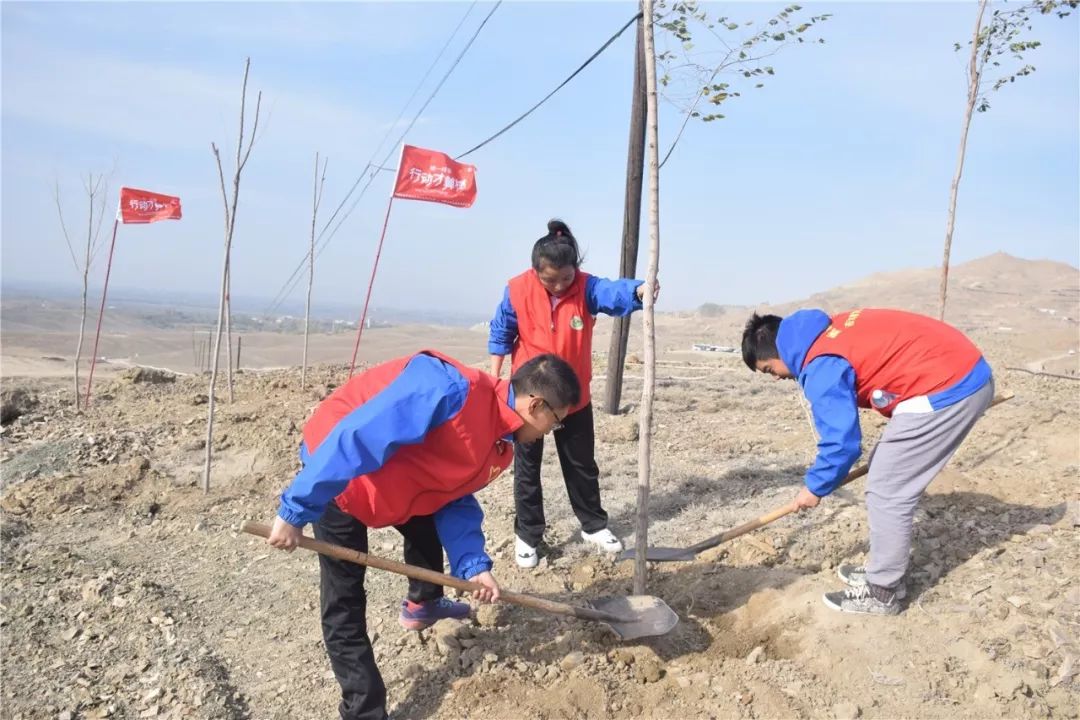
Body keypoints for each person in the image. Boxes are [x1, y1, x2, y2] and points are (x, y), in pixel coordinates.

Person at [265, 349, 580, 720]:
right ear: (536, 405)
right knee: (344, 598)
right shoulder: (447, 390)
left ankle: (423, 603)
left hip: (398, 476)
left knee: (426, 529)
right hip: (339, 473)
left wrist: (472, 565)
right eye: (555, 422)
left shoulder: (500, 439)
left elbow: (453, 496)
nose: (550, 432)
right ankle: (364, 711)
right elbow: (357, 438)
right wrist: (296, 510)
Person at [741, 308, 994, 615]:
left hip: (949, 387)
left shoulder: (820, 364)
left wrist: (814, 487)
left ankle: (883, 591)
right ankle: (884, 570)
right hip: (956, 372)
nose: (778, 378)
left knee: (887, 489)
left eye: (769, 370)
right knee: (883, 466)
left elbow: (842, 444)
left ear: (779, 351)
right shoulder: (826, 331)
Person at [488, 218, 658, 568]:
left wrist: (638, 291)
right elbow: (501, 332)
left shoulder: (585, 288)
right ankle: (528, 534)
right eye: (550, 279)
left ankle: (593, 524)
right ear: (536, 270)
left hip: (573, 399)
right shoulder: (517, 289)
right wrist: (495, 377)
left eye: (566, 278)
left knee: (581, 464)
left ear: (575, 271)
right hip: (529, 400)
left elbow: (612, 292)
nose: (559, 286)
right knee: (527, 467)